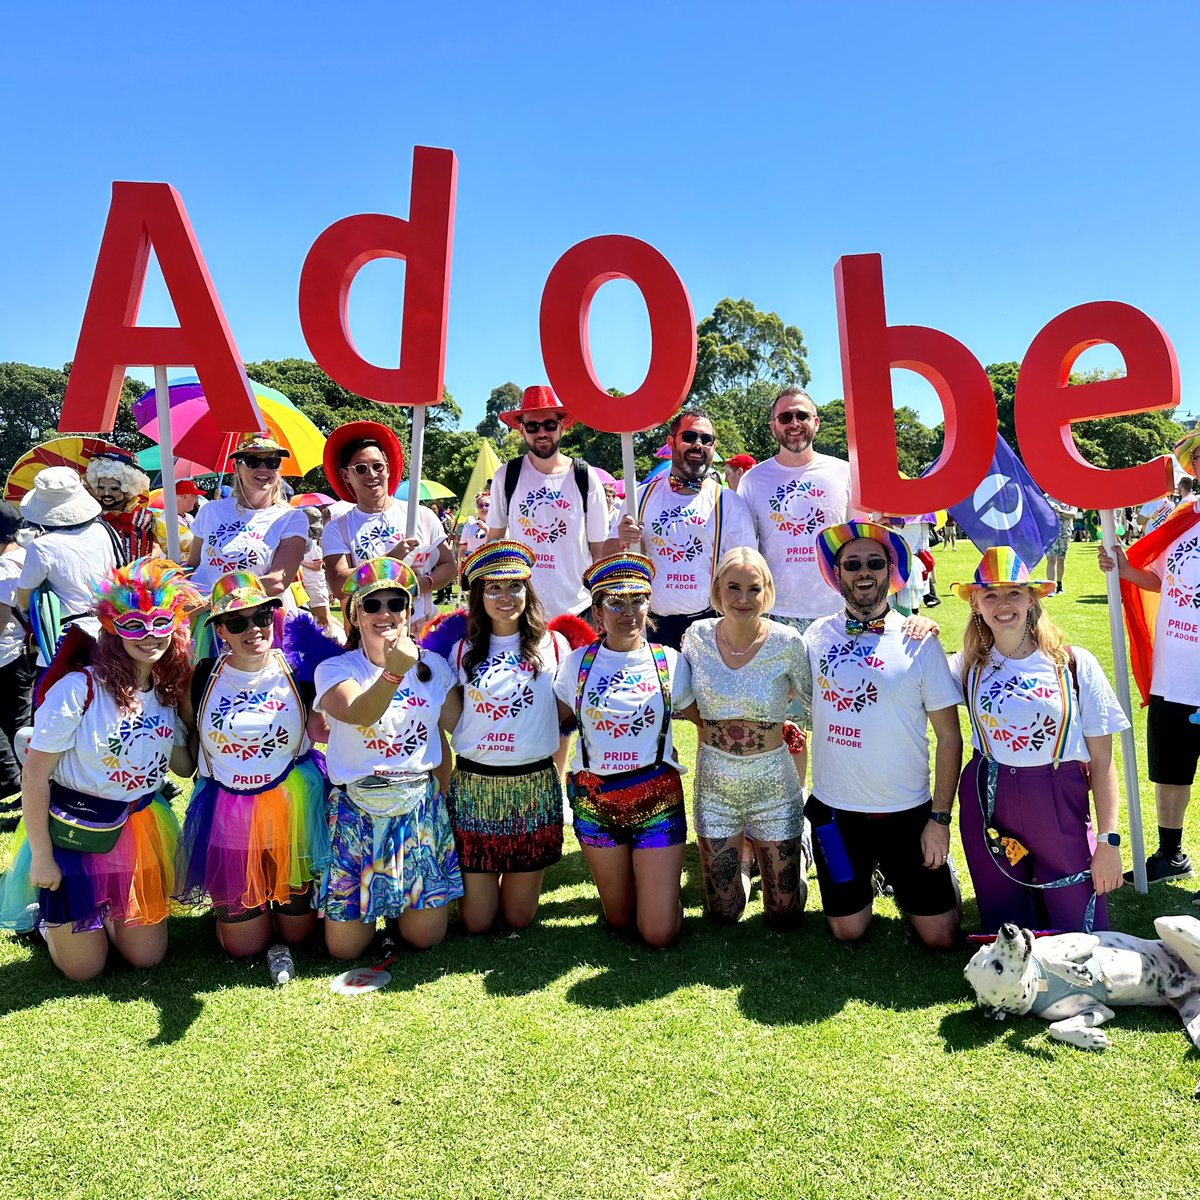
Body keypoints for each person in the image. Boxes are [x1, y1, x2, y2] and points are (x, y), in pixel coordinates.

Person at [0, 560, 197, 980]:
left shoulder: (162, 691)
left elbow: (183, 767)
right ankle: (48, 921)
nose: (150, 636)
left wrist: (185, 707)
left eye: (161, 622)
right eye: (134, 625)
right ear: (112, 629)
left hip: (139, 827)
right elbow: (34, 776)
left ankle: (105, 914)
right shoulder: (79, 688)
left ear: (174, 628)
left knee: (147, 959)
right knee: (83, 970)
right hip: (77, 831)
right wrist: (42, 858)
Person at [802, 521, 963, 948]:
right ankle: (869, 874)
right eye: (852, 563)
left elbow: (950, 738)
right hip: (835, 818)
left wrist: (940, 820)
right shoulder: (815, 636)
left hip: (907, 816)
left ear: (890, 571)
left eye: (875, 562)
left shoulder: (920, 640)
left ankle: (935, 873)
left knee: (941, 938)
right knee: (846, 930)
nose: (863, 572)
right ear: (837, 574)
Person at [953, 547, 1128, 932]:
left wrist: (1108, 842)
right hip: (988, 796)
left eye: (1014, 592)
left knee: (1085, 935)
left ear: (1032, 598)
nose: (1003, 604)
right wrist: (919, 628)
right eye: (990, 595)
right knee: (1007, 934)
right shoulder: (965, 665)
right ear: (975, 604)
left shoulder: (1073, 663)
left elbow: (1102, 761)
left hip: (1057, 797)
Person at [314, 558, 462, 959]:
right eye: (372, 605)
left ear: (409, 611)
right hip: (356, 811)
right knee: (345, 950)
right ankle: (376, 907)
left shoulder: (433, 666)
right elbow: (359, 712)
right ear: (355, 616)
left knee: (425, 939)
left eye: (395, 603)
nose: (385, 613)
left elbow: (457, 730)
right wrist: (394, 673)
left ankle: (400, 909)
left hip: (417, 809)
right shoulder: (335, 668)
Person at [176, 572, 330, 957]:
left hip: (293, 808)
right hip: (227, 809)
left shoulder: (300, 669)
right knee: (245, 948)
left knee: (298, 937)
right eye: (237, 621)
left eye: (261, 617)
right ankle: (239, 910)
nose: (253, 629)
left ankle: (282, 900)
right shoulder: (199, 677)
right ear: (219, 630)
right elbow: (185, 746)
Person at [553, 554, 694, 948]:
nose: (628, 612)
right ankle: (646, 883)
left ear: (649, 605)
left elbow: (704, 718)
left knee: (657, 933)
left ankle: (660, 894)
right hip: (594, 798)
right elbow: (550, 722)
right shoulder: (576, 664)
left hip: (656, 797)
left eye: (638, 600)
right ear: (597, 610)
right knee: (619, 921)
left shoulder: (671, 662)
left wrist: (764, 729)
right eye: (616, 602)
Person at [680, 547, 810, 925]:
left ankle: (798, 851)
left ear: (767, 591)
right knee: (724, 913)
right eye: (733, 587)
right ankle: (748, 857)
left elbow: (816, 703)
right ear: (717, 589)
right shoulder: (696, 638)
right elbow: (679, 691)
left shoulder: (788, 643)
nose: (742, 599)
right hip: (715, 786)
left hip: (773, 784)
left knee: (783, 915)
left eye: (753, 589)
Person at [444, 541, 569, 933]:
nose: (504, 596)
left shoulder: (554, 645)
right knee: (477, 923)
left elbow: (563, 711)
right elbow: (454, 718)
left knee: (518, 919)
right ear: (477, 595)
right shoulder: (461, 649)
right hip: (474, 787)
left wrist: (530, 735)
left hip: (532, 787)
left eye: (514, 586)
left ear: (527, 591)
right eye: (492, 588)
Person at [1099, 430, 1200, 891]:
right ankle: (1170, 854)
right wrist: (1121, 565)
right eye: (1198, 458)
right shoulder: (1183, 520)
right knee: (1170, 768)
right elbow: (1158, 580)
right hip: (1174, 673)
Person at [617, 410, 756, 650]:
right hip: (652, 625)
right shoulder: (639, 498)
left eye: (706, 439)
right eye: (689, 436)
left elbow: (745, 569)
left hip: (710, 623)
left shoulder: (729, 502)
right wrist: (622, 541)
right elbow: (607, 554)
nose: (698, 444)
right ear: (671, 442)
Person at [737, 388, 857, 635]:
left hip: (837, 609)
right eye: (785, 417)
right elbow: (745, 550)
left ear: (816, 422)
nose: (794, 423)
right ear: (773, 427)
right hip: (775, 612)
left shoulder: (845, 473)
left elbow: (859, 538)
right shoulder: (753, 480)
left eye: (802, 416)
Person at [320, 421, 455, 633]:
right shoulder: (338, 527)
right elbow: (339, 584)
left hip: (422, 632)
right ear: (346, 475)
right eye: (361, 469)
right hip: (371, 635)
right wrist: (390, 561)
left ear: (388, 469)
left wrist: (423, 583)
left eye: (378, 466)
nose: (371, 474)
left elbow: (449, 565)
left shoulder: (422, 515)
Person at [486, 386, 609, 618]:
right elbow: (494, 540)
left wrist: (600, 600)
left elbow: (598, 549)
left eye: (549, 425)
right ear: (522, 430)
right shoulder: (506, 476)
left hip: (578, 608)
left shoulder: (584, 475)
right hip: (521, 606)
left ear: (561, 426)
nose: (542, 432)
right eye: (532, 426)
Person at [185, 435, 308, 619]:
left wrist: (216, 602)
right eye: (252, 461)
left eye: (272, 462)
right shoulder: (210, 510)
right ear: (236, 468)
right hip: (202, 619)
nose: (263, 468)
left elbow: (277, 581)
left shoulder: (291, 518)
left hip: (254, 618)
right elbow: (194, 565)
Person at [16, 467, 120, 664]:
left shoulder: (41, 546)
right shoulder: (106, 530)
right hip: (110, 630)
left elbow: (24, 598)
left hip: (66, 640)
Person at [0, 501, 31, 805]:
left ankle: (16, 782)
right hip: (22, 651)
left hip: (6, 654)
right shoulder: (25, 555)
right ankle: (23, 781)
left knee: (15, 723)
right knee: (19, 719)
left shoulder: (4, 567)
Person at [85, 449, 169, 561]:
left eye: (114, 488)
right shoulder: (89, 518)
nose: (106, 493)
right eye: (101, 487)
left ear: (127, 488)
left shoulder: (149, 518)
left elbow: (183, 546)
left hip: (138, 578)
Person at [1043, 495, 1078, 595]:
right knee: (1051, 559)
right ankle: (1050, 588)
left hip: (1064, 533)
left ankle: (1059, 584)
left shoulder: (1070, 497)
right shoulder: (1046, 497)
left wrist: (1060, 511)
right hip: (1049, 533)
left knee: (1061, 560)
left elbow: (1073, 514)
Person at [457, 489, 491, 577]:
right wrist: (460, 568)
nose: (484, 508)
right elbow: (463, 549)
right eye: (481, 505)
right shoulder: (469, 525)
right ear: (476, 508)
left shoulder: (498, 526)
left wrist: (487, 530)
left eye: (487, 505)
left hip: (490, 565)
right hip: (472, 566)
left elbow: (501, 544)